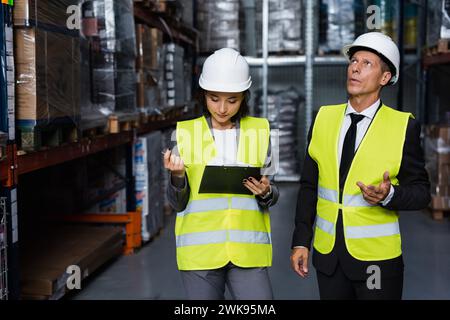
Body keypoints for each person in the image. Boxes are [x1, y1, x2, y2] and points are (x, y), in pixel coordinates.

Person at [290, 32, 431, 300]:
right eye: (354, 60)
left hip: (376, 262)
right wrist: (300, 240)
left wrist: (389, 195)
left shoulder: (403, 126)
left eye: (367, 63)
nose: (355, 67)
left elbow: (422, 192)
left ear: (385, 78)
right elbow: (309, 187)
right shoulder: (323, 119)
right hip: (328, 257)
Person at [164, 48, 279, 300]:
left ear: (244, 97)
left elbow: (272, 192)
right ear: (203, 94)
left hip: (248, 250)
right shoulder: (183, 134)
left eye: (232, 100)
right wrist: (178, 177)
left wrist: (267, 192)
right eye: (214, 98)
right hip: (200, 255)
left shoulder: (261, 131)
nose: (223, 108)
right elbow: (177, 203)